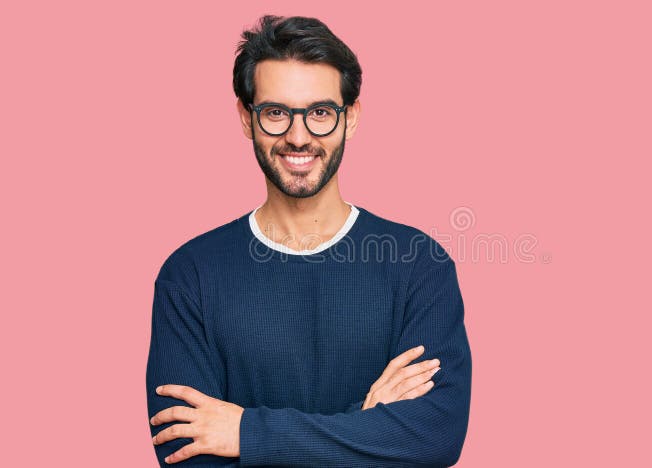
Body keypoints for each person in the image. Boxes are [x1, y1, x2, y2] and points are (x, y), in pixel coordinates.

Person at [146, 14, 472, 467]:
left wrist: (248, 434)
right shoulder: (190, 275)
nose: (299, 137)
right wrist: (369, 423)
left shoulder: (418, 264)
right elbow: (189, 457)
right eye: (276, 113)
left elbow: (436, 436)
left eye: (320, 113)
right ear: (246, 118)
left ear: (350, 118)